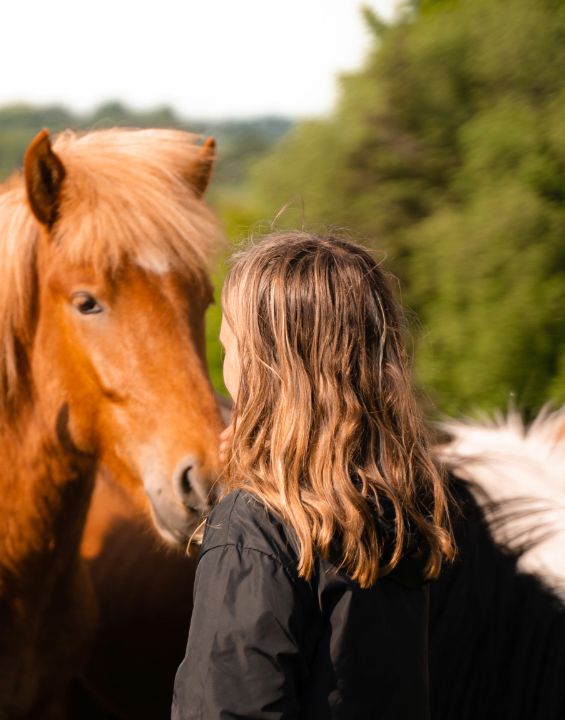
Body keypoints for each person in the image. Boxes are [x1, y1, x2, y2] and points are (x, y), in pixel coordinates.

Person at [171, 232, 456, 719]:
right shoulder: (396, 508)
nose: (225, 358)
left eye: (231, 346)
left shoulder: (255, 527)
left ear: (265, 368)